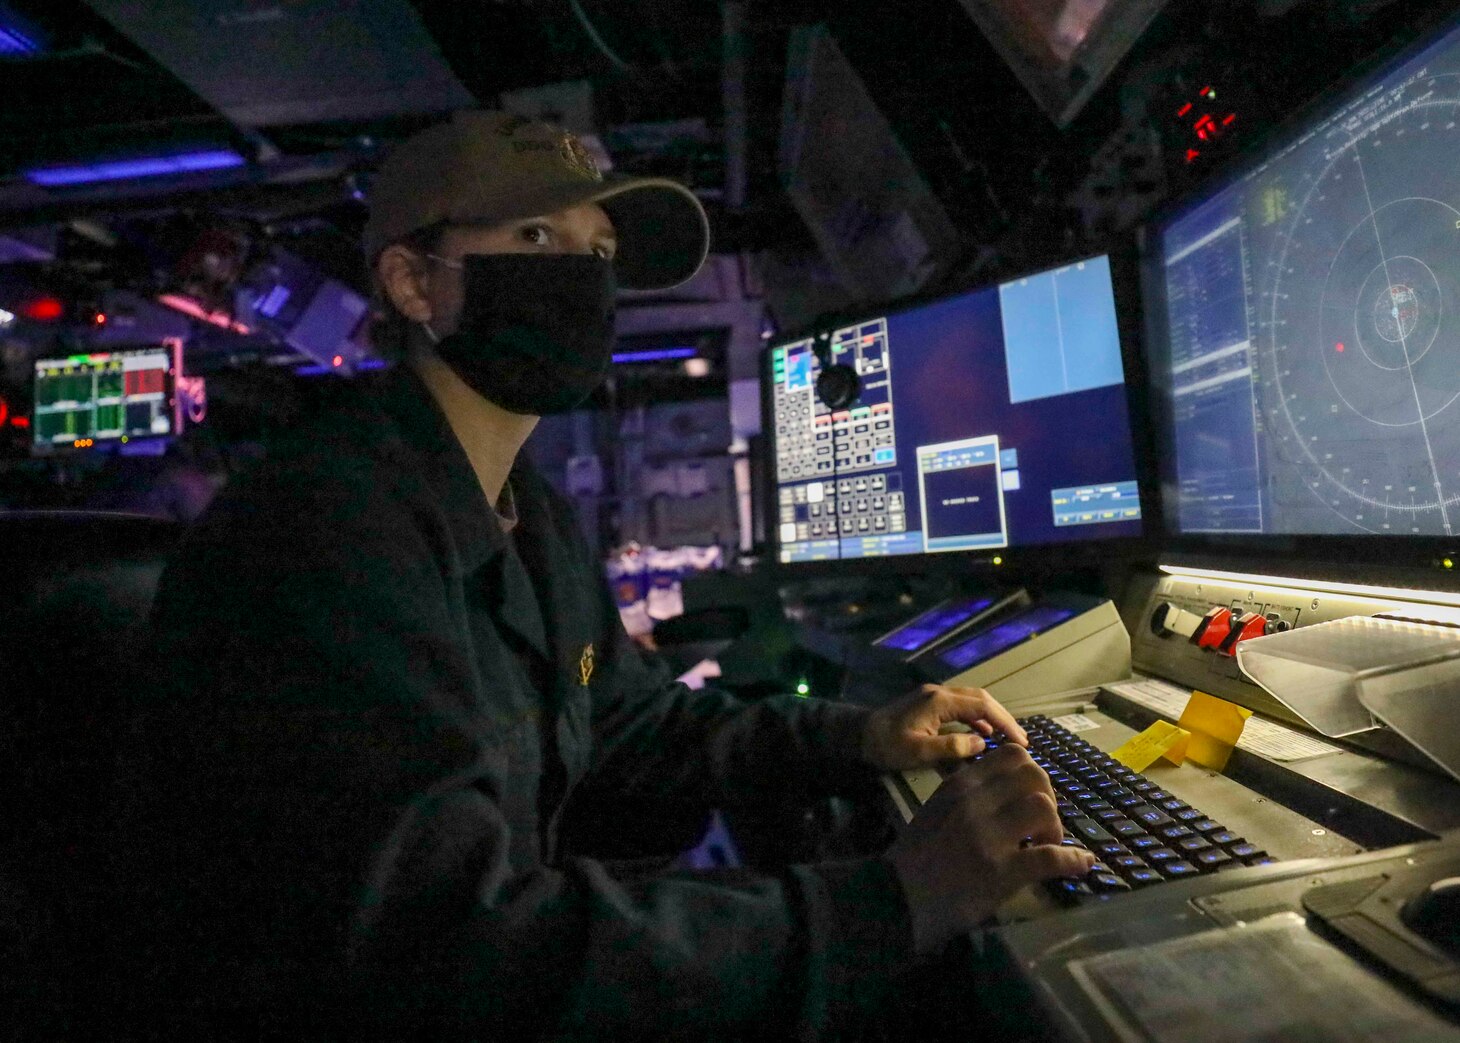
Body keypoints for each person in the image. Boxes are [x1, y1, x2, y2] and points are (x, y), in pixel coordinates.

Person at [113, 111, 1092, 1038]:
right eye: (538, 238)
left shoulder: (522, 509)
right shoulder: (325, 528)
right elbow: (440, 950)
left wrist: (860, 734)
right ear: (416, 284)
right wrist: (894, 899)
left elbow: (629, 721)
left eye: (599, 253)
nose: (581, 280)